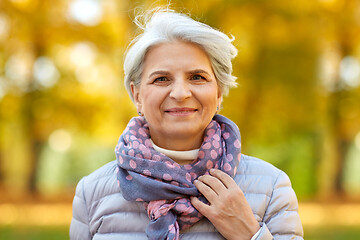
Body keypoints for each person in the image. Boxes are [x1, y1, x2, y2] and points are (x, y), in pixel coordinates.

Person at [70, 8, 304, 240]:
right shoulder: (91, 194)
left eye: (197, 77)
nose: (181, 93)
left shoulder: (271, 187)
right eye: (161, 79)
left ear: (219, 93)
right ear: (137, 95)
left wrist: (250, 235)